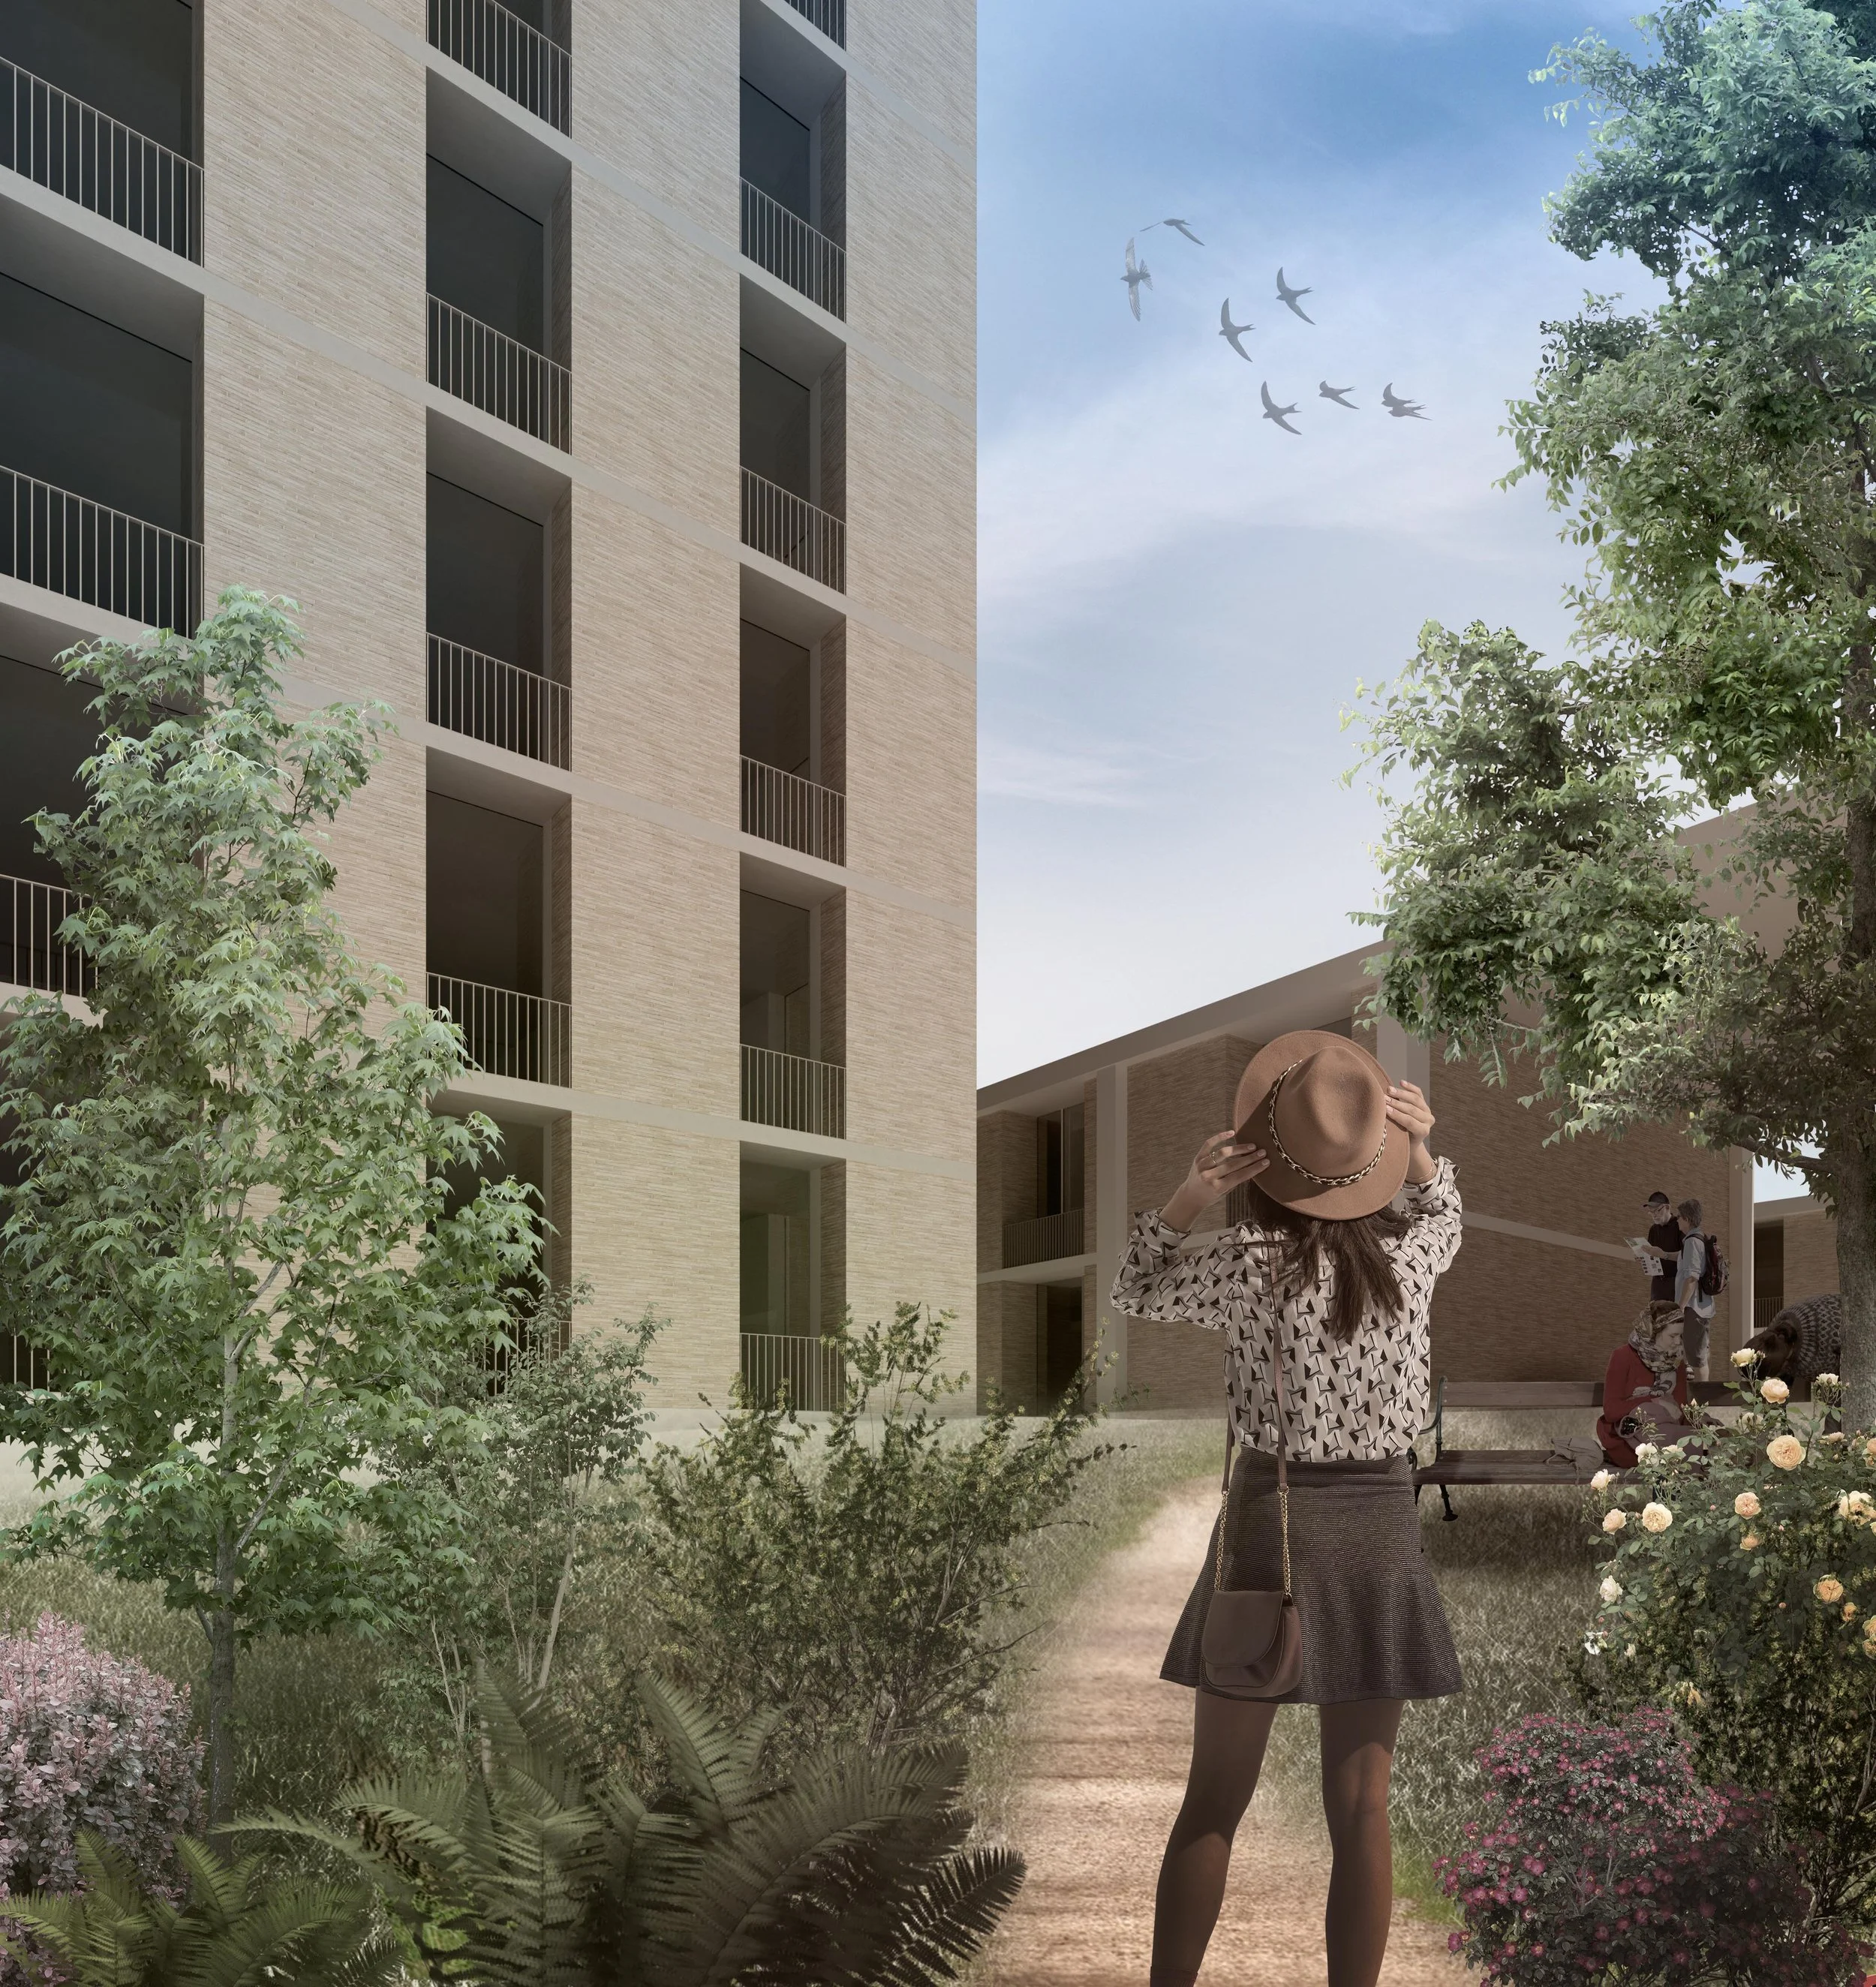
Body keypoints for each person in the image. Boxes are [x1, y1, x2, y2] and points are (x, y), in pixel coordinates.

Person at [1111, 1031, 1463, 1987]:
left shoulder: (1244, 1261)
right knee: (1361, 1808)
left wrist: (1192, 1190)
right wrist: (1420, 1143)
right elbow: (1445, 1213)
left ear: (1266, 1164)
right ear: (1369, 1163)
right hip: (1381, 1524)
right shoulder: (1410, 1263)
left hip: (1269, 1521)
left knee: (1213, 1800)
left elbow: (1134, 1284)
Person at [1595, 1300, 1689, 1469]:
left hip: (1666, 1434)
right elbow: (1611, 1411)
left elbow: (1681, 1410)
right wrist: (1655, 1401)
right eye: (1672, 1336)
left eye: (1680, 1335)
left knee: (1685, 1452)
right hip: (1627, 1439)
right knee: (1675, 1460)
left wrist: (1700, 1424)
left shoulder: (1676, 1361)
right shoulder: (1623, 1357)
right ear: (1652, 1333)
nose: (1678, 1342)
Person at [1673, 1197, 1716, 1381]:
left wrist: (1680, 1307)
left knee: (1697, 1358)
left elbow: (1691, 1278)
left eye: (1679, 1216)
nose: (1677, 1220)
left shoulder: (1692, 1241)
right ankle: (1699, 1402)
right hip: (1702, 1306)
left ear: (1688, 1219)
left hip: (1693, 1308)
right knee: (1699, 1353)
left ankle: (1700, 1403)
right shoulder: (1700, 1239)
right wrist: (1663, 1254)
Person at [1640, 1190, 1682, 1305]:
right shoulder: (1653, 1229)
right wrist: (1643, 1256)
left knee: (1674, 1321)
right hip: (1658, 1284)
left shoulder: (1680, 1225)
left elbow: (1687, 1256)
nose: (1654, 1215)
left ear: (1668, 1207)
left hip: (1676, 1283)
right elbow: (1652, 1255)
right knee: (1656, 1321)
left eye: (1657, 1210)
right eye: (1650, 1212)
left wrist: (1664, 1254)